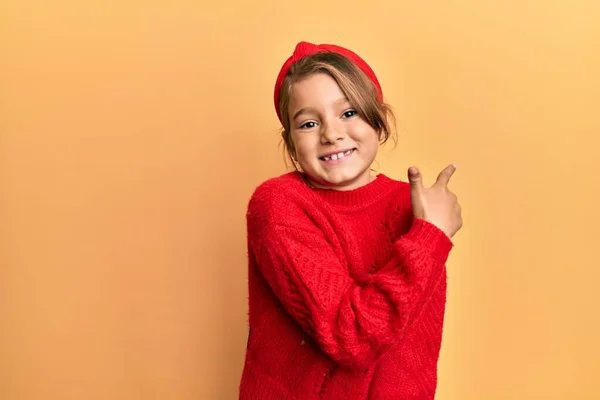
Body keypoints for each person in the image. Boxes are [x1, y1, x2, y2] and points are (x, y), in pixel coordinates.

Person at [238, 41, 463, 399]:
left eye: (348, 113)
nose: (331, 134)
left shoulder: (416, 207)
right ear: (291, 142)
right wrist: (430, 236)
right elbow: (351, 339)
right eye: (309, 123)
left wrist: (427, 231)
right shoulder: (278, 205)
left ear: (379, 119)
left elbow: (413, 354)